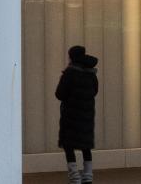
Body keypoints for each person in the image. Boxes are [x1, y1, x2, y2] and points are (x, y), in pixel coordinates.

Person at [55, 45, 99, 184]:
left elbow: (59, 94)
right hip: (87, 116)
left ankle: (75, 178)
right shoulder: (91, 74)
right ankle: (88, 176)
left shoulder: (69, 73)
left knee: (68, 145)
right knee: (86, 146)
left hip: (71, 116)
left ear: (72, 57)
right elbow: (94, 92)